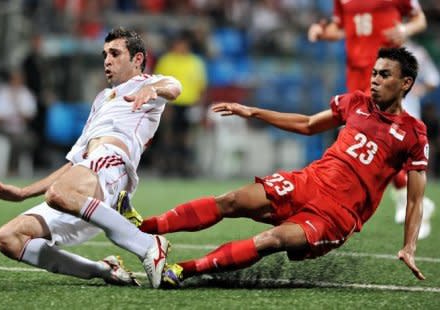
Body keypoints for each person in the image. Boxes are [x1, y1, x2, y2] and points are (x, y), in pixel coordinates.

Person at [119, 47, 427, 287]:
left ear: (405, 83)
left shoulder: (414, 134)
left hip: (337, 214)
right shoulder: (356, 102)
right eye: (374, 73)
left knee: (272, 240)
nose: (374, 80)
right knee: (232, 200)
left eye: (384, 75)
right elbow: (307, 124)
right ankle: (142, 228)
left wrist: (409, 246)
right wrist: (253, 111)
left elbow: (415, 199)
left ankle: (182, 271)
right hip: (309, 181)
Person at [0, 27, 182, 288]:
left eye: (115, 53)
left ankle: (148, 245)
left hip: (111, 167)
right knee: (9, 238)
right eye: (105, 54)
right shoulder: (101, 100)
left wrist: (154, 89)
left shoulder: (147, 85)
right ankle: (104, 269)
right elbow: (75, 162)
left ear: (138, 59)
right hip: (83, 183)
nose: (107, 60)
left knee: (57, 193)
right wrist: (22, 193)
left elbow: (175, 86)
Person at [307, 0, 433, 238]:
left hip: (384, 71)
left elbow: (420, 19)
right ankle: (405, 195)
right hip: (355, 72)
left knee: (375, 138)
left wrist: (405, 30)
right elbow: (342, 28)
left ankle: (404, 195)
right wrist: (321, 32)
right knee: (363, 139)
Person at [393, 40, 439, 237]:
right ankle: (410, 203)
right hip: (393, 114)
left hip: (405, 115)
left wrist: (418, 90)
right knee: (393, 163)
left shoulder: (416, 52)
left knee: (403, 164)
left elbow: (433, 80)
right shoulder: (384, 48)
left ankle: (417, 206)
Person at [152, 29, 207, 177]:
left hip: (189, 104)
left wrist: (199, 106)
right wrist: (161, 103)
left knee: (186, 137)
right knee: (168, 135)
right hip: (170, 104)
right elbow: (158, 82)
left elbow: (201, 85)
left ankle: (184, 166)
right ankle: (167, 166)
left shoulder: (196, 62)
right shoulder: (167, 60)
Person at [0, 69, 38, 178]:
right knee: (14, 141)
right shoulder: (2, 93)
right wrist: (9, 117)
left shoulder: (26, 94)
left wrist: (18, 107)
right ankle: (11, 170)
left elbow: (29, 115)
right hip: (4, 130)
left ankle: (15, 170)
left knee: (26, 140)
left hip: (21, 130)